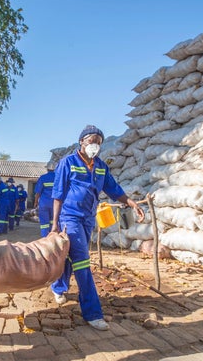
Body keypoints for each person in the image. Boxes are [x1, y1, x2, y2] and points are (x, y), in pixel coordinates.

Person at [50, 125, 145, 330]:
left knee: (69, 255)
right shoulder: (68, 163)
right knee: (83, 261)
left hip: (88, 218)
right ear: (82, 141)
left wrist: (132, 203)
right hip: (70, 217)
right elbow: (57, 194)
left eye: (99, 142)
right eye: (92, 140)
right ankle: (93, 313)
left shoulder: (101, 166)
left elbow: (114, 189)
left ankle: (58, 287)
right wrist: (55, 224)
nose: (95, 145)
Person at [34, 162, 56, 237]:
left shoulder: (43, 178)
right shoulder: (58, 177)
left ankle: (44, 238)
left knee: (44, 223)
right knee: (53, 222)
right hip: (55, 204)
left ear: (47, 168)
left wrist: (36, 202)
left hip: (44, 203)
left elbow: (38, 192)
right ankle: (52, 238)